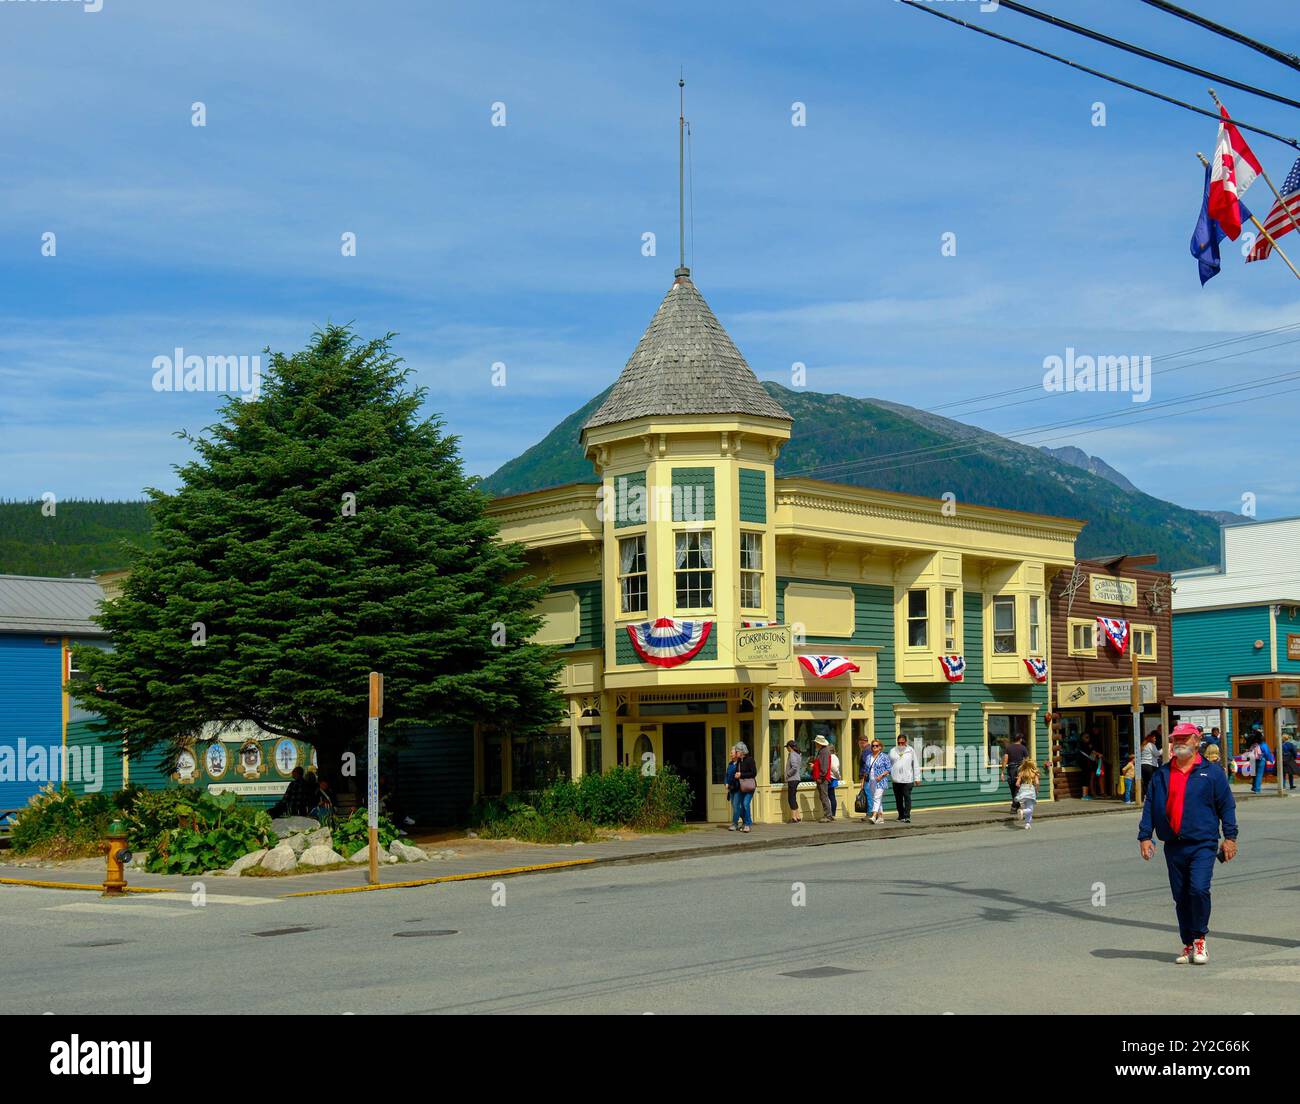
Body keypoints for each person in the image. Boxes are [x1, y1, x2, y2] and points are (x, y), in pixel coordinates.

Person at [1139, 721, 1238, 965]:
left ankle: (1200, 938)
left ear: (1197, 740)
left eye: (1185, 738)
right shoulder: (1163, 773)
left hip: (1203, 842)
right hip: (1173, 844)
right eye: (1176, 739)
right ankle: (1187, 944)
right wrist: (1144, 836)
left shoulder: (1211, 772)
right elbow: (1150, 805)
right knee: (1181, 896)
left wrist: (1230, 838)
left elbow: (1226, 806)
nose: (1179, 742)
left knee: (1198, 889)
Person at [889, 733, 920, 823]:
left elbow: (916, 765)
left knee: (907, 798)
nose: (901, 744)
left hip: (907, 779)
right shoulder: (892, 751)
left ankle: (907, 816)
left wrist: (917, 778)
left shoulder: (910, 751)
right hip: (896, 779)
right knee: (898, 799)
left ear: (906, 742)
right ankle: (901, 815)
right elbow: (888, 764)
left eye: (902, 743)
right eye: (899, 743)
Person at [1002, 733, 1031, 815]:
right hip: (1019, 769)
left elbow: (1005, 760)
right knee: (1017, 789)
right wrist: (1026, 770)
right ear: (1020, 739)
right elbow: (1027, 760)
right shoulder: (1023, 748)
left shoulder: (1009, 748)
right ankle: (1014, 807)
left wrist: (1002, 772)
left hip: (1010, 769)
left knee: (1013, 788)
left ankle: (1016, 805)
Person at [864, 739, 892, 825]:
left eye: (876, 745)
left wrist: (882, 775)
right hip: (871, 780)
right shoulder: (869, 757)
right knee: (876, 799)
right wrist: (863, 781)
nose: (874, 747)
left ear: (880, 747)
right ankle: (880, 817)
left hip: (881, 780)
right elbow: (866, 770)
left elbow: (889, 769)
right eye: (873, 746)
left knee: (876, 798)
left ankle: (873, 816)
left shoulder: (884, 756)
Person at [811, 735, 835, 822]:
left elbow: (824, 766)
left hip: (822, 778)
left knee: (824, 796)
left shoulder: (824, 752)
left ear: (819, 743)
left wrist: (820, 776)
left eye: (816, 743)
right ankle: (828, 814)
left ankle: (828, 815)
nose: (815, 744)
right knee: (823, 796)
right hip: (821, 777)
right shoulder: (822, 751)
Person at [1016, 760, 1040, 829]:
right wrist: (1037, 790)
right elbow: (1037, 783)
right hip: (1030, 790)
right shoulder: (1034, 773)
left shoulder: (1021, 772)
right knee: (1030, 809)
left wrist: (1021, 786)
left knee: (1027, 807)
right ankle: (1022, 811)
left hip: (1023, 790)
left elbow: (1017, 784)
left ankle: (1027, 824)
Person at [784, 739, 803, 823]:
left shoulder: (792, 754)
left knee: (790, 798)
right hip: (796, 778)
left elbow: (794, 767)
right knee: (793, 797)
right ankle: (798, 816)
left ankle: (793, 817)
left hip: (792, 779)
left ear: (789, 747)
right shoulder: (798, 754)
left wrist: (788, 774)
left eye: (787, 747)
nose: (787, 749)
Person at [1077, 733, 1102, 799]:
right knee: (1085, 779)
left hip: (1088, 764)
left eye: (1088, 737)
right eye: (1086, 737)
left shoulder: (1087, 745)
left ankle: (1087, 794)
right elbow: (1091, 753)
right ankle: (1084, 795)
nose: (1088, 738)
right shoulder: (1082, 745)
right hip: (1084, 764)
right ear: (1082, 738)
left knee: (1088, 778)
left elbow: (1092, 753)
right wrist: (1097, 754)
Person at [1250, 730, 1274, 794]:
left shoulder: (1253, 744)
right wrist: (1271, 760)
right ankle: (1257, 789)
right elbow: (1267, 753)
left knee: (1254, 775)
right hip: (1261, 760)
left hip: (1253, 760)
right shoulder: (1263, 744)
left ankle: (1254, 787)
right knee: (1259, 775)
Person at [725, 745, 741, 830]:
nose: (730, 755)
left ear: (736, 754)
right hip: (731, 788)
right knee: (735, 806)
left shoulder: (740, 763)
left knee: (736, 805)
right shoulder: (730, 764)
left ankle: (735, 824)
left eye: (732, 753)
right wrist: (726, 783)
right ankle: (744, 821)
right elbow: (727, 775)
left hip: (738, 788)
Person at [828, 746, 842, 819]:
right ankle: (832, 813)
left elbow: (835, 769)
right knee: (831, 796)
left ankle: (832, 814)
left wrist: (838, 777)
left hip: (831, 778)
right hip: (832, 778)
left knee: (831, 796)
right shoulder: (834, 757)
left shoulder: (833, 757)